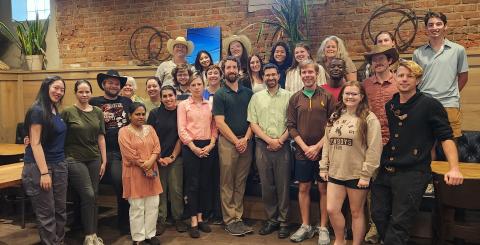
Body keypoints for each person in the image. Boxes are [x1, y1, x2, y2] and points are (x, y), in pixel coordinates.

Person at [371, 60, 464, 244]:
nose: (404, 79)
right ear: (395, 78)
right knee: (378, 215)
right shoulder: (391, 105)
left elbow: (446, 137)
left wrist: (454, 167)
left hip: (413, 173)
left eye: (409, 76)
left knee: (400, 223)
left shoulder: (430, 105)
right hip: (386, 169)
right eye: (401, 75)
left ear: (418, 80)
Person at [320, 81, 382, 245]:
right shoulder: (335, 116)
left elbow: (375, 148)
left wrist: (366, 174)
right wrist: (323, 166)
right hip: (336, 171)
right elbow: (327, 142)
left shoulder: (368, 118)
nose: (350, 96)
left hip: (357, 173)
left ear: (361, 97)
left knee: (356, 212)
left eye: (354, 94)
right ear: (342, 96)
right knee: (332, 209)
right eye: (347, 93)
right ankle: (340, 240)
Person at [286, 60, 335, 244]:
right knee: (304, 187)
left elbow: (333, 124)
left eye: (310, 72)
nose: (307, 75)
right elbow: (291, 126)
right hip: (302, 152)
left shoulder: (328, 97)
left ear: (316, 74)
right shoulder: (295, 98)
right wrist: (306, 147)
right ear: (300, 75)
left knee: (323, 189)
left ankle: (323, 227)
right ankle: (305, 225)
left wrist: (317, 147)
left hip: (323, 152)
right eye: (304, 72)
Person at [247, 63, 292, 239]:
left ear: (278, 76)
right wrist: (269, 140)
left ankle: (284, 222)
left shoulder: (289, 96)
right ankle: (271, 219)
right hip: (262, 146)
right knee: (267, 185)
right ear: (263, 77)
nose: (271, 78)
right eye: (267, 75)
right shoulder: (256, 97)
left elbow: (292, 122)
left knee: (283, 185)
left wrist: (279, 140)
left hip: (283, 146)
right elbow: (253, 122)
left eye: (273, 74)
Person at [22, 76, 67, 245]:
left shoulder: (55, 109)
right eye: (56, 88)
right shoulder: (37, 110)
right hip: (40, 167)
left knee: (60, 211)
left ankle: (59, 242)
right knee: (47, 214)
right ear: (46, 87)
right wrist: (44, 172)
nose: (59, 92)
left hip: (60, 164)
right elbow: (36, 143)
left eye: (62, 89)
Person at [362, 45, 399, 244]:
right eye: (374, 60)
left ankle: (393, 229)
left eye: (381, 59)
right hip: (371, 143)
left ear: (390, 61)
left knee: (394, 187)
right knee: (373, 187)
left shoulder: (399, 82)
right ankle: (374, 227)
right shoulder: (366, 84)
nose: (377, 63)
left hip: (396, 142)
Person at [212, 56, 254, 236]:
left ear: (239, 70)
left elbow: (254, 119)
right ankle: (229, 219)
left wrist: (245, 139)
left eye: (234, 67)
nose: (231, 70)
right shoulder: (220, 94)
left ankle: (238, 217)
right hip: (228, 143)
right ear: (224, 71)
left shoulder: (248, 93)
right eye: (228, 67)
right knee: (227, 182)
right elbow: (219, 122)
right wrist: (237, 141)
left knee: (240, 181)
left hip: (246, 142)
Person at [61, 80, 106, 245]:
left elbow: (101, 136)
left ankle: (92, 235)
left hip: (94, 157)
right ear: (75, 93)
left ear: (91, 93)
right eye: (81, 92)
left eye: (87, 92)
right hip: (74, 158)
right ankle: (89, 234)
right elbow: (58, 134)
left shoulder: (98, 112)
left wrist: (104, 159)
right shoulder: (67, 112)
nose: (84, 95)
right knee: (88, 194)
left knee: (94, 196)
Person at [413, 11, 469, 138]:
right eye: (431, 25)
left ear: (445, 26)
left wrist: (452, 93)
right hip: (425, 103)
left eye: (439, 24)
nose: (435, 28)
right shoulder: (418, 53)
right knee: (427, 143)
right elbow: (414, 79)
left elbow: (464, 77)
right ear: (426, 28)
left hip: (449, 103)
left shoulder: (458, 50)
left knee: (451, 141)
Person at [89, 69, 132, 234]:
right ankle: (87, 223)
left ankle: (124, 223)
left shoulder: (127, 102)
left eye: (116, 83)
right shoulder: (94, 102)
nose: (113, 85)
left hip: (121, 151)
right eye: (110, 82)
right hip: (99, 150)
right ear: (103, 84)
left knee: (122, 184)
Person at [178, 75, 218, 238]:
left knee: (204, 183)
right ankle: (193, 220)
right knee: (192, 184)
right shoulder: (183, 105)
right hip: (190, 147)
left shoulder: (209, 105)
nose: (196, 87)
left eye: (199, 84)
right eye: (193, 84)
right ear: (189, 88)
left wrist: (212, 144)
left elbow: (214, 127)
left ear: (204, 86)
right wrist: (193, 147)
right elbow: (181, 129)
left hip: (208, 146)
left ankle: (201, 218)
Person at [118, 102, 162, 245]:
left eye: (143, 114)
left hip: (152, 173)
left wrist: (150, 163)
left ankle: (150, 234)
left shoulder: (150, 128)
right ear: (130, 115)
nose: (141, 117)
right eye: (137, 114)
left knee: (153, 204)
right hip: (134, 172)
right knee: (137, 206)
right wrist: (146, 166)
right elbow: (129, 154)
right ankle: (138, 238)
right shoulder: (124, 131)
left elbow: (157, 147)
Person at [147, 85, 188, 234]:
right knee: (160, 190)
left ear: (175, 95)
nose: (168, 99)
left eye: (170, 95)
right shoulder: (154, 113)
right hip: (157, 158)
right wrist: (158, 157)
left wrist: (171, 157)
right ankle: (161, 219)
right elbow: (150, 137)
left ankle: (178, 218)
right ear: (161, 98)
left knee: (176, 189)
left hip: (175, 157)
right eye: (164, 96)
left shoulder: (181, 112)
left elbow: (181, 137)